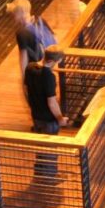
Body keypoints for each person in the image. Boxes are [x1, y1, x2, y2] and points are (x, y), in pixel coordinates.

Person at [24, 45, 70, 178]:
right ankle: (50, 177)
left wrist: (32, 105)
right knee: (50, 148)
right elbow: (52, 101)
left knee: (41, 145)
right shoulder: (48, 76)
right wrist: (60, 119)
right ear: (55, 61)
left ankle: (39, 172)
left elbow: (26, 89)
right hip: (48, 119)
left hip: (36, 115)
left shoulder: (30, 67)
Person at [8, 0, 57, 81]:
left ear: (21, 13)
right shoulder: (40, 20)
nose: (12, 17)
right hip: (49, 63)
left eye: (14, 14)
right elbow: (54, 37)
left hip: (35, 69)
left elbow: (23, 57)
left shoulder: (21, 33)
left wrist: (24, 78)